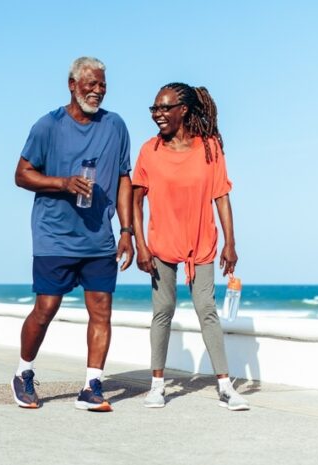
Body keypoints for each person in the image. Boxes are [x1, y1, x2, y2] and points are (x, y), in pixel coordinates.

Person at [11, 56, 134, 412]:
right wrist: (62, 183)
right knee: (46, 308)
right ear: (72, 85)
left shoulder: (116, 126)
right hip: (54, 235)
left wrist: (126, 230)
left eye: (102, 85)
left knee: (102, 310)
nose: (97, 91)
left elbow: (125, 178)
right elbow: (21, 175)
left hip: (99, 237)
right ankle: (24, 373)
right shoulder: (47, 126)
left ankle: (92, 385)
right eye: (90, 85)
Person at [131, 82, 249, 411]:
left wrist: (231, 242)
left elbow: (221, 195)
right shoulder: (148, 151)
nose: (158, 115)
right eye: (154, 109)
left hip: (202, 243)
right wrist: (140, 243)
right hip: (160, 244)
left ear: (183, 110)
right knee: (163, 312)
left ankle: (225, 386)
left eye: (165, 108)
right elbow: (135, 201)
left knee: (206, 311)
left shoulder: (209, 148)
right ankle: (157, 386)